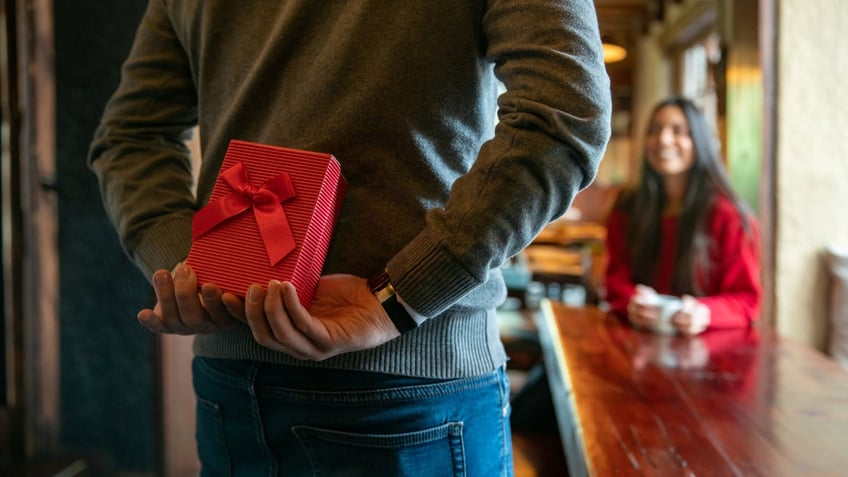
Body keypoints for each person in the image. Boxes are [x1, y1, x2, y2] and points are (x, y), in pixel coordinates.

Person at [88, 1, 611, 476]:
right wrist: (399, 295)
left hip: (231, 380)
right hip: (414, 379)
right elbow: (566, 115)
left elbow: (131, 136)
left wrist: (193, 266)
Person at [604, 97, 761, 337]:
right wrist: (632, 301)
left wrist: (705, 313)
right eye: (655, 130)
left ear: (700, 143)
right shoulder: (628, 206)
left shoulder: (728, 216)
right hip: (636, 343)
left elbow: (746, 299)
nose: (663, 139)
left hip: (708, 353)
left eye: (678, 131)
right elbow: (615, 278)